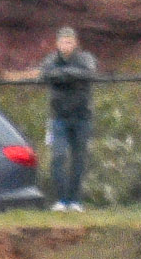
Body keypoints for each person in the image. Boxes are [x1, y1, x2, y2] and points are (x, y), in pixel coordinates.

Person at [23, 28, 97, 211]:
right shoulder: (51, 59)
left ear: (75, 43)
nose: (66, 45)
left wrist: (62, 75)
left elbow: (88, 73)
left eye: (70, 42)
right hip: (59, 118)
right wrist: (70, 75)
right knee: (58, 157)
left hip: (81, 117)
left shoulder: (85, 58)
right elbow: (45, 75)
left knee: (79, 159)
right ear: (57, 43)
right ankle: (62, 200)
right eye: (63, 42)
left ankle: (75, 201)